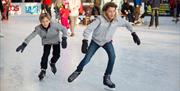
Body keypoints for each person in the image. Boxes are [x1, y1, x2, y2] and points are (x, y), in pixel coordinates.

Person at [67, 2, 141, 89]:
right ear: (105, 11)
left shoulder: (117, 19)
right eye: (110, 11)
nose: (112, 13)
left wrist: (133, 33)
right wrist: (85, 41)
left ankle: (107, 77)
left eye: (114, 11)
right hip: (96, 41)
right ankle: (78, 71)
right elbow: (88, 29)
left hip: (107, 42)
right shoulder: (100, 19)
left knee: (112, 57)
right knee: (87, 58)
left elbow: (127, 24)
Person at [16, 13, 68, 81]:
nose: (45, 23)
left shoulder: (55, 25)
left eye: (46, 21)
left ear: (49, 20)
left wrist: (64, 38)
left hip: (55, 41)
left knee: (57, 55)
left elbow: (64, 29)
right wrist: (24, 44)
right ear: (40, 22)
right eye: (43, 21)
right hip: (46, 42)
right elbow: (31, 35)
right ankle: (43, 70)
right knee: (45, 56)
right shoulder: (38, 28)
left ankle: (52, 62)